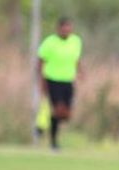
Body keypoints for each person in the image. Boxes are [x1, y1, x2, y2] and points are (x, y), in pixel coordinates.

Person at [36, 17, 83, 150]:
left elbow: (76, 59)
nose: (67, 31)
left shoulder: (76, 41)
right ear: (59, 29)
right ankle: (53, 142)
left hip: (68, 80)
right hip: (52, 79)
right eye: (64, 28)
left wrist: (81, 72)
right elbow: (41, 61)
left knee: (66, 114)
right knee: (58, 110)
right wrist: (41, 79)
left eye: (69, 28)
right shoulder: (50, 42)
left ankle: (42, 126)